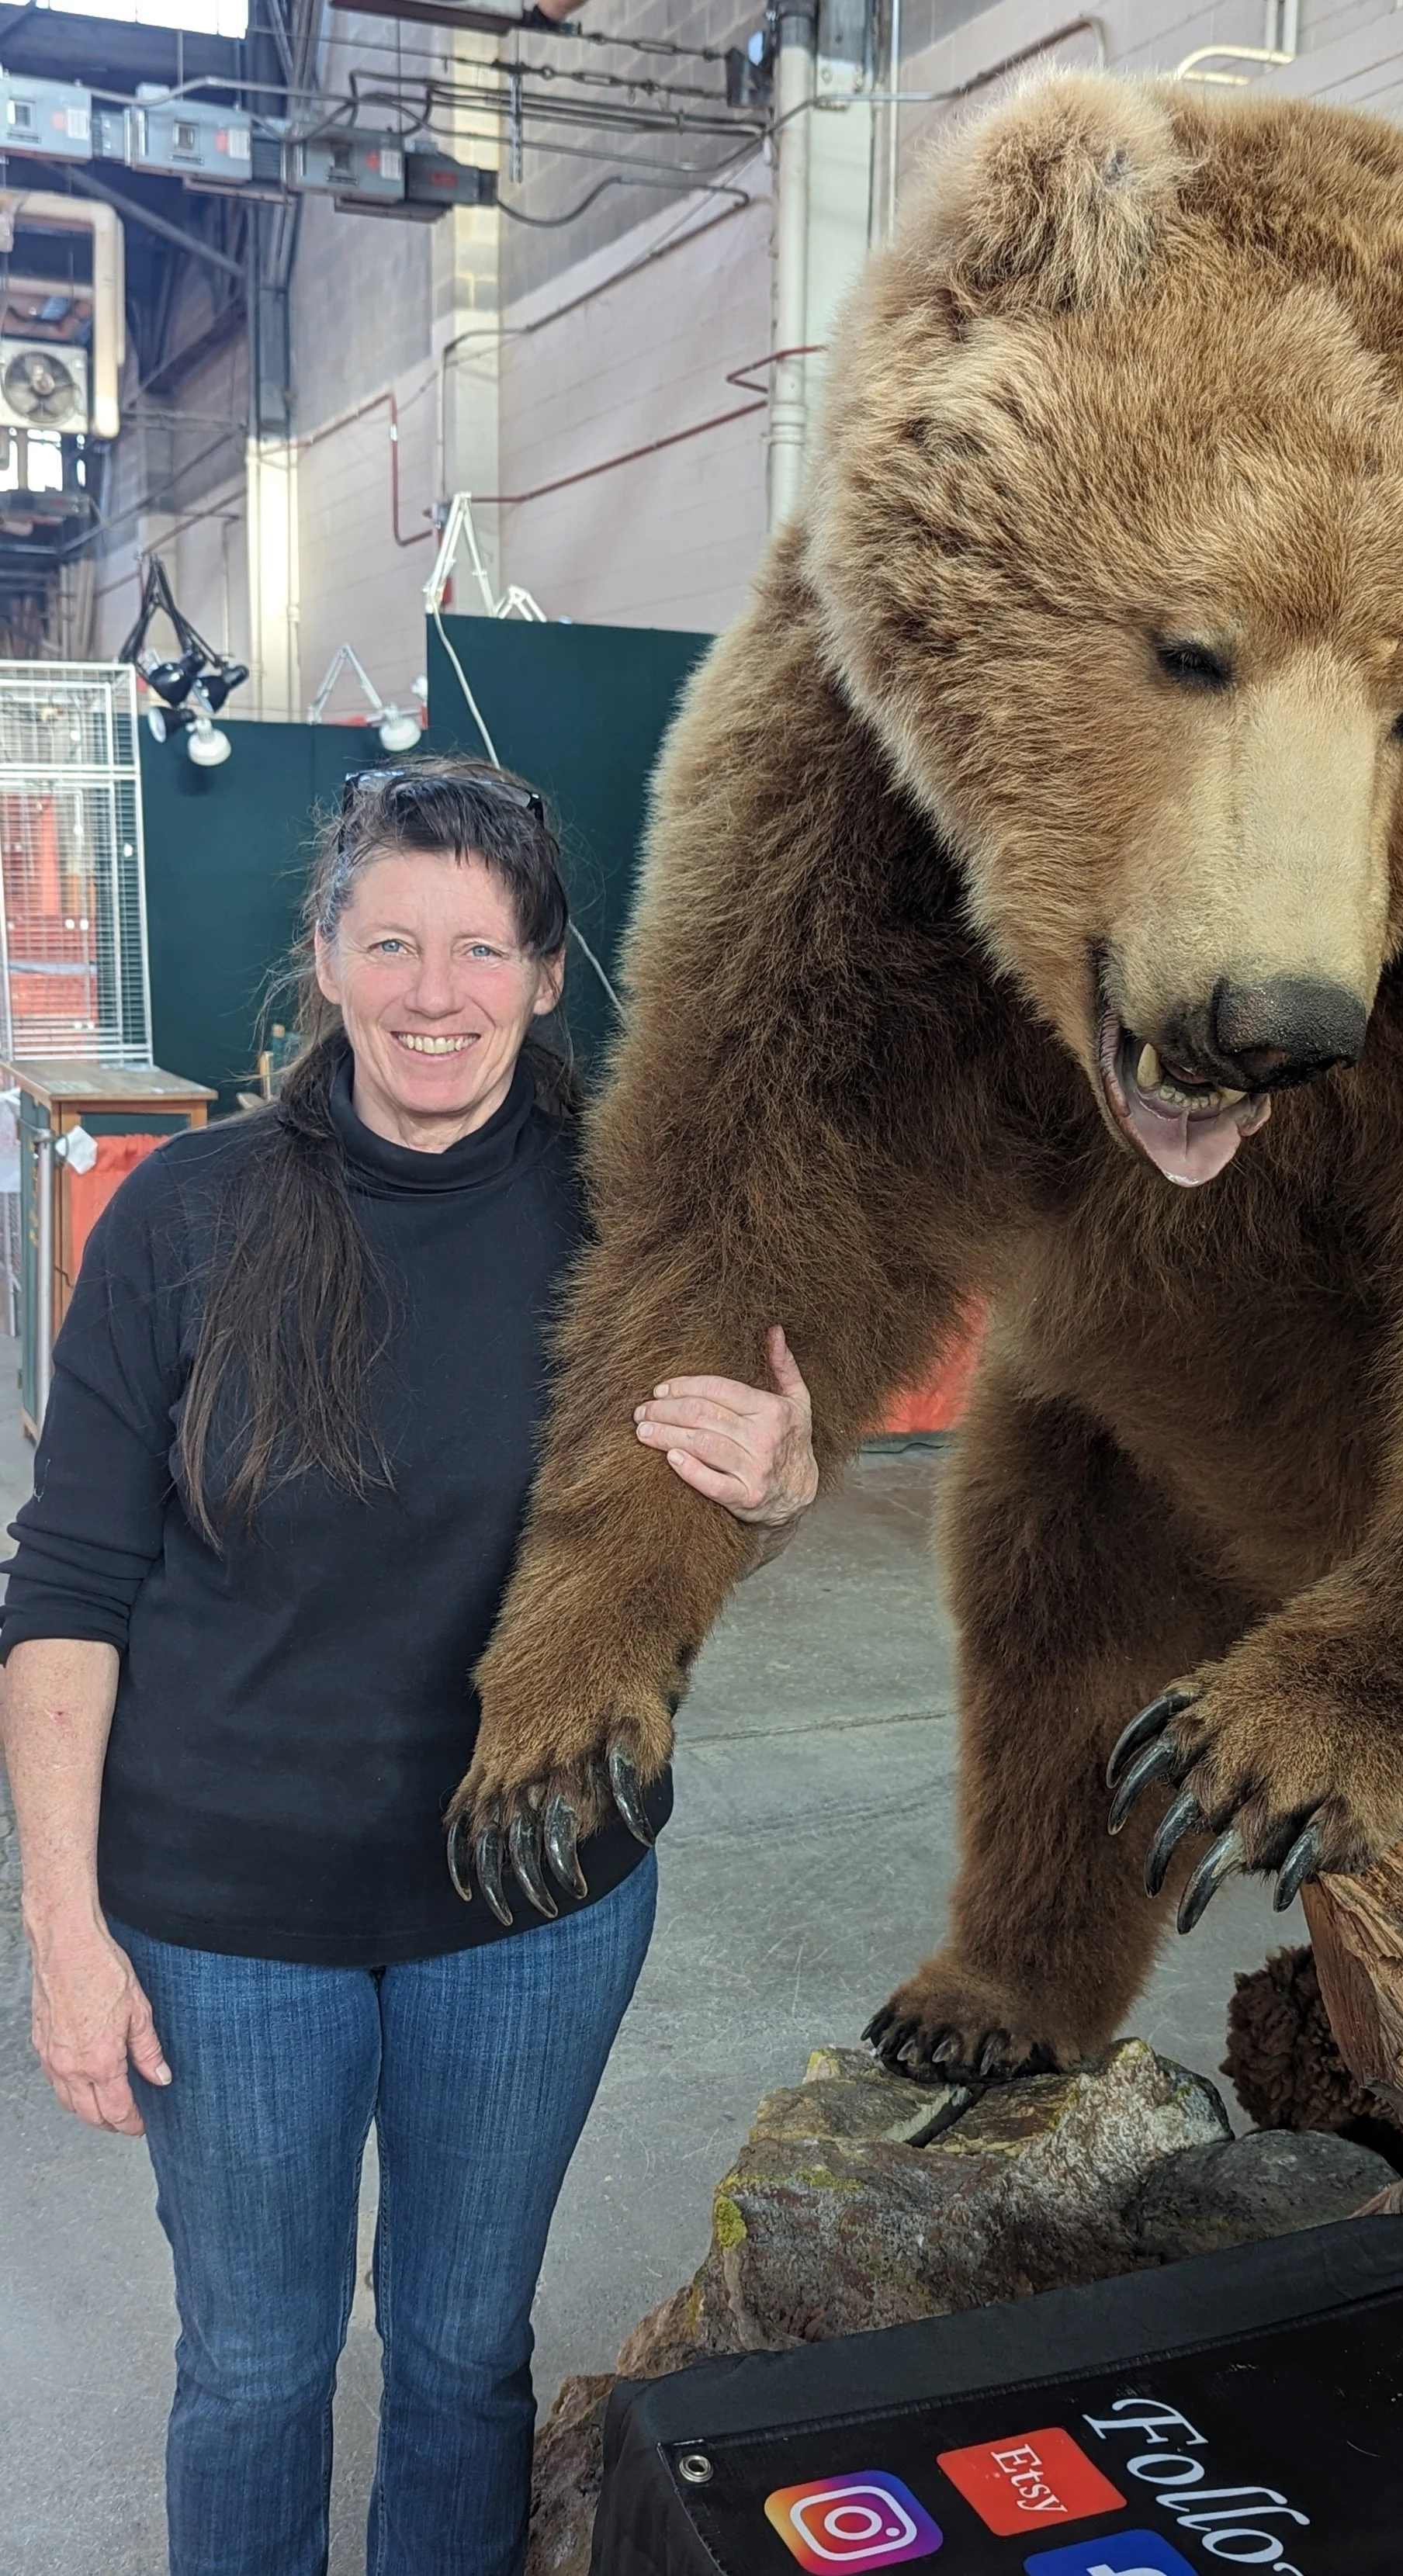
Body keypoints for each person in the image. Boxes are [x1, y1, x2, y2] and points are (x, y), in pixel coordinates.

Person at [0, 761, 819, 2576]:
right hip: (224, 1916)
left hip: (532, 1898)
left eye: (477, 947)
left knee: (460, 2356)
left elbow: (709, 1507)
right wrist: (64, 1929)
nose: (430, 991)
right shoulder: (184, 1216)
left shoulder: (644, 1230)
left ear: (544, 974)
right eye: (390, 940)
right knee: (255, 2366)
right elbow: (62, 1585)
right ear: (325, 957)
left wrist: (783, 1484)